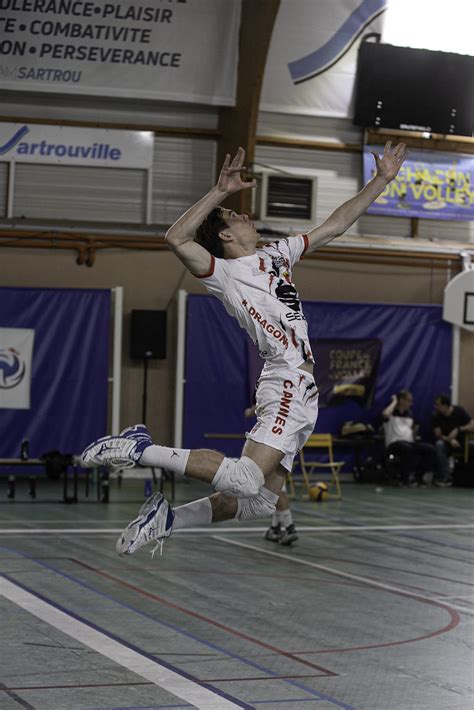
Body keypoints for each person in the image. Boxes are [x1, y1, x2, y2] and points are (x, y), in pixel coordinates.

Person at [81, 142, 407, 557]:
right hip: (286, 377)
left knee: (259, 502)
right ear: (224, 235)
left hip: (305, 392)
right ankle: (140, 448)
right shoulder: (225, 274)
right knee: (244, 480)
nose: (247, 216)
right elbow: (176, 236)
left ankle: (169, 519)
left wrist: (381, 180)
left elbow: (335, 224)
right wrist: (219, 193)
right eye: (237, 216)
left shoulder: (277, 255)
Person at [244, 404, 297, 545]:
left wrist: (251, 410)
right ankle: (276, 527)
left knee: (277, 488)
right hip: (284, 438)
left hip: (278, 440)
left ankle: (289, 527)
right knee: (274, 488)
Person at [382, 390, 436, 486]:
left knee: (429, 449)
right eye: (409, 400)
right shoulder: (391, 412)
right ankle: (405, 479)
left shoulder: (410, 414)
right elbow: (385, 414)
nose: (411, 403)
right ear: (401, 400)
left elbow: (412, 433)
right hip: (394, 443)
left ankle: (419, 476)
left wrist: (415, 432)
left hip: (409, 442)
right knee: (407, 448)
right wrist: (394, 401)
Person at [431, 394, 474, 487]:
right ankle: (445, 477)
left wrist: (458, 429)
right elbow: (438, 435)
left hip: (463, 443)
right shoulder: (436, 416)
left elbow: (472, 425)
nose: (436, 407)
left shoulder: (459, 411)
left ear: (445, 406)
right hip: (446, 443)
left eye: (438, 405)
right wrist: (450, 440)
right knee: (439, 444)